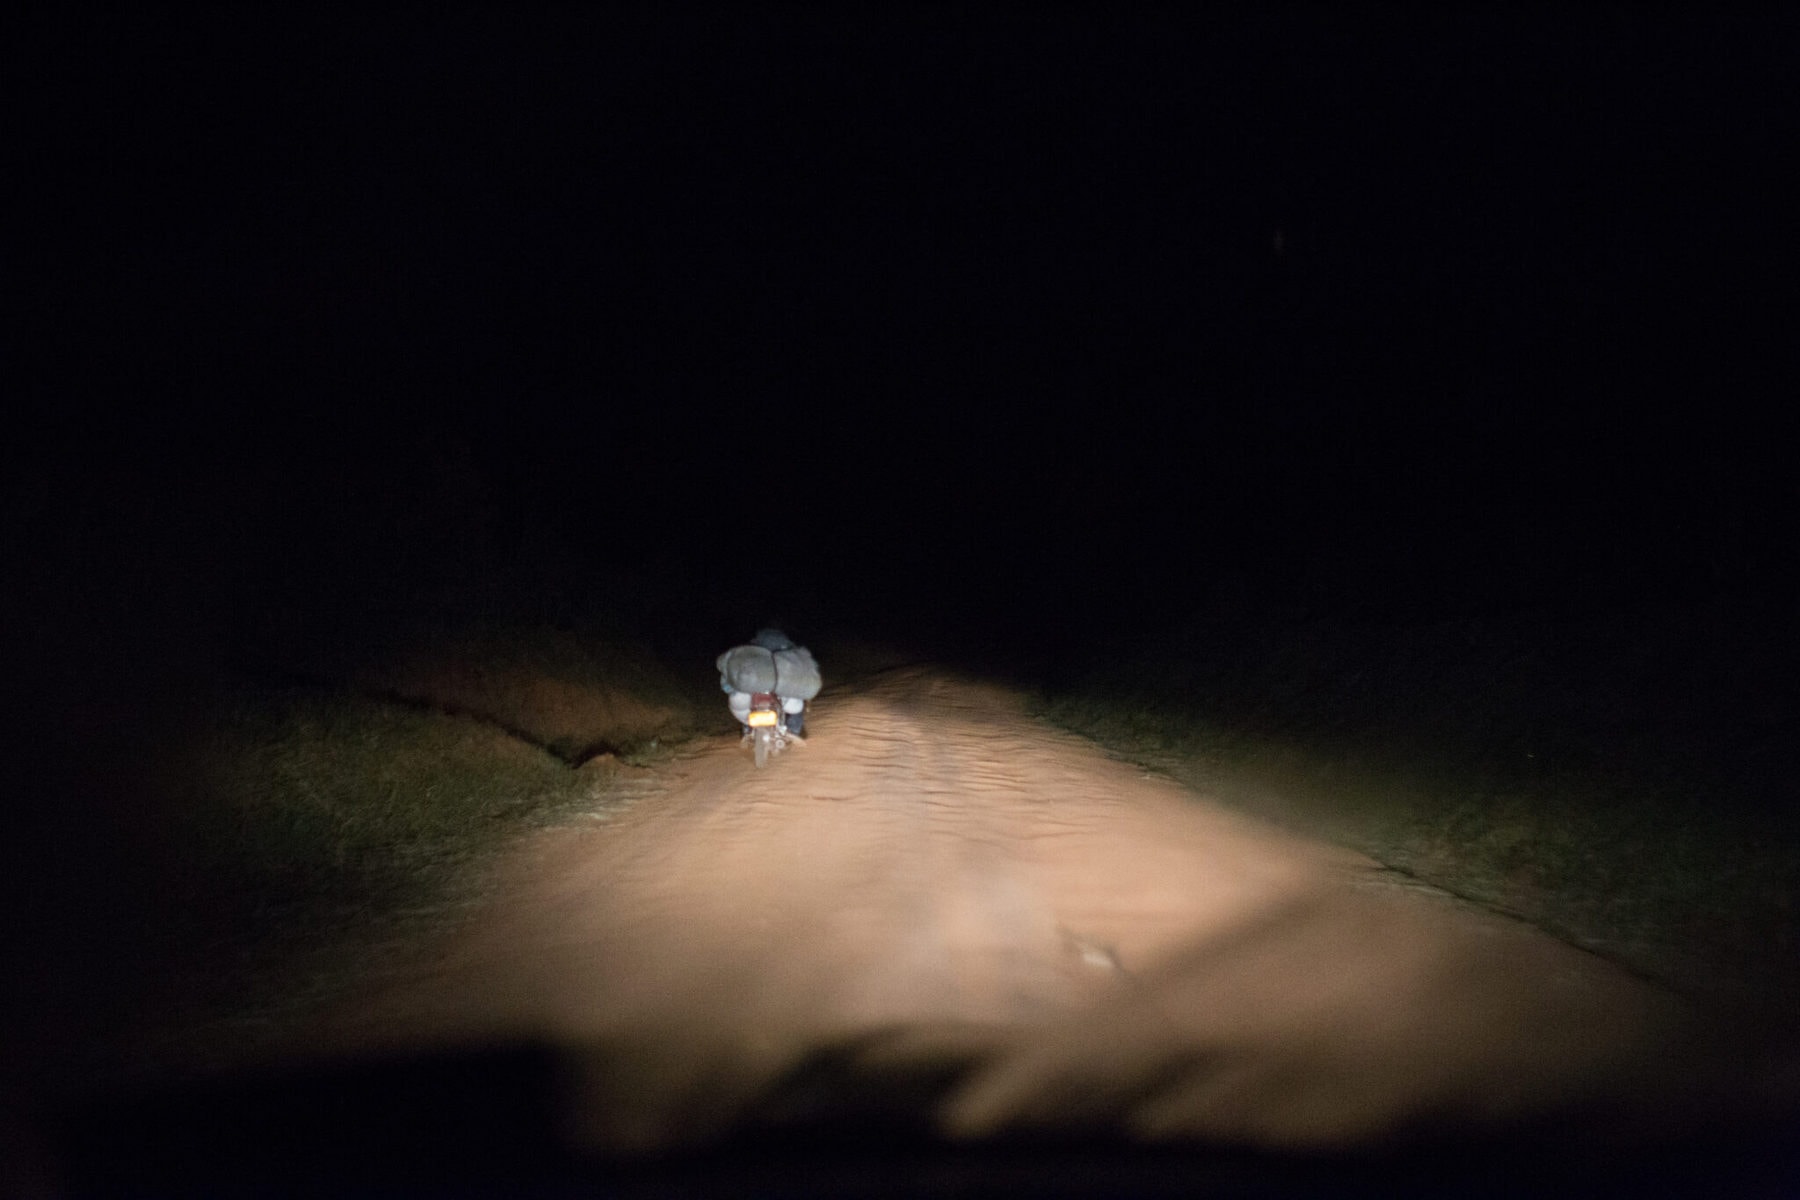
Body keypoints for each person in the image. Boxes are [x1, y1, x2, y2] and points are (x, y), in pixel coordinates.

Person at [716, 627, 822, 739]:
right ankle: (794, 729)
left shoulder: (748, 653)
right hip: (779, 692)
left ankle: (747, 728)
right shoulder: (790, 653)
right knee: (797, 704)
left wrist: (731, 689)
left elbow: (728, 681)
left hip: (750, 695)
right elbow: (807, 672)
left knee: (741, 701)